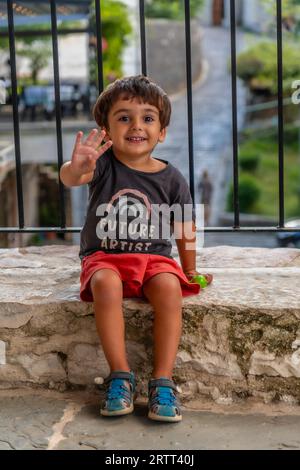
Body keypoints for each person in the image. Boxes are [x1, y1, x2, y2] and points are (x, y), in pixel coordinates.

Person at [60, 75, 213, 423]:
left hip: (154, 260)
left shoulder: (172, 178)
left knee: (170, 289)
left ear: (162, 132)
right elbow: (72, 178)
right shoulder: (100, 167)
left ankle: (162, 381)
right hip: (105, 258)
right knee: (105, 285)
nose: (136, 126)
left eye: (147, 118)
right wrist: (77, 167)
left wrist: (190, 271)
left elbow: (185, 229)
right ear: (106, 129)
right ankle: (120, 376)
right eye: (124, 117)